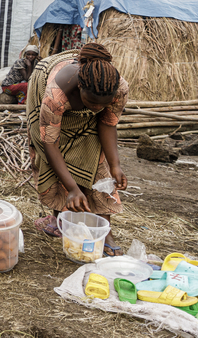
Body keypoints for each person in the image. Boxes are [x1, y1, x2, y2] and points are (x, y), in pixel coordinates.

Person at [28, 43, 128, 256]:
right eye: (91, 102)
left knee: (97, 163)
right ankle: (59, 217)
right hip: (45, 96)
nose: (96, 108)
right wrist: (72, 188)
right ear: (80, 88)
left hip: (78, 103)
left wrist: (115, 165)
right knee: (54, 160)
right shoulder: (56, 92)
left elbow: (107, 123)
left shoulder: (118, 88)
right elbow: (50, 143)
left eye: (102, 104)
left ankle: (105, 232)